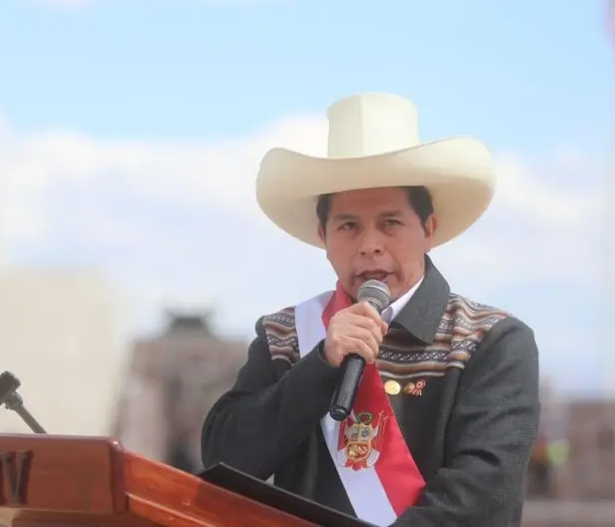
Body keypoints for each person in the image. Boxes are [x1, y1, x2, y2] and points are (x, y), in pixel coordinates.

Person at [201, 93, 540, 526]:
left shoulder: (489, 339)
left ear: (428, 230)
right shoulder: (285, 335)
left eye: (391, 223)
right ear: (323, 236)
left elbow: (484, 494)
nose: (370, 244)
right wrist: (320, 365)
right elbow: (224, 460)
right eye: (349, 226)